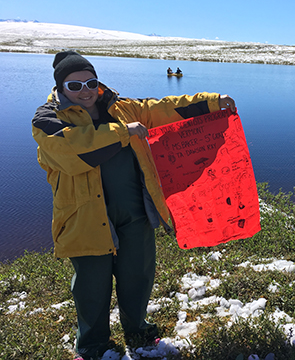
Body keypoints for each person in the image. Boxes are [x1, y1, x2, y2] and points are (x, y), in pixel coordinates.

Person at [31, 51, 236, 360]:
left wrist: (211, 101)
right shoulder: (47, 119)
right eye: (75, 86)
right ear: (60, 87)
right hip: (84, 218)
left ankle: (138, 330)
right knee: (91, 286)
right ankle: (92, 344)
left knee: (137, 277)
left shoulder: (122, 108)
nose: (85, 91)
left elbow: (163, 109)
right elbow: (70, 150)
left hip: (135, 213)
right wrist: (122, 133)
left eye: (91, 82)